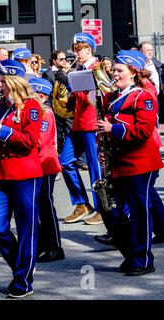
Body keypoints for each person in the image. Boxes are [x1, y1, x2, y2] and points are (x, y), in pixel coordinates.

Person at [96, 50, 164, 275]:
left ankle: (143, 260)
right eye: (114, 69)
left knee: (139, 212)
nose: (114, 73)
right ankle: (131, 254)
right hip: (118, 163)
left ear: (133, 72)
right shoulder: (110, 97)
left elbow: (144, 131)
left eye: (119, 70)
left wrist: (112, 129)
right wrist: (102, 146)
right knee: (113, 212)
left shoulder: (142, 96)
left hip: (140, 164)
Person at [0, 59, 43, 298]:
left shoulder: (31, 106)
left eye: (1, 82)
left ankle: (22, 280)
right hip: (3, 173)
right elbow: (0, 134)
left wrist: (2, 131)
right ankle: (23, 265)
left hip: (25, 174)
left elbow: (30, 140)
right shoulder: (3, 106)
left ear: (12, 81)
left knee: (26, 228)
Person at [60, 33, 104, 225]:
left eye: (79, 50)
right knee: (65, 161)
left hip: (92, 124)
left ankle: (103, 208)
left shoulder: (97, 69)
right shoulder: (79, 69)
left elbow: (96, 100)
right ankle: (82, 203)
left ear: (89, 49)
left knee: (95, 168)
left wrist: (76, 88)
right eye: (75, 50)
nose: (76, 53)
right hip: (78, 123)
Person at [29, 77, 64, 263]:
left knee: (46, 206)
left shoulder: (46, 113)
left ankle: (55, 246)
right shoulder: (39, 111)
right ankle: (44, 243)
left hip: (46, 164)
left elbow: (40, 140)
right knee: (40, 205)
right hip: (38, 164)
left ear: (41, 96)